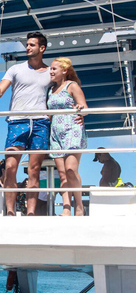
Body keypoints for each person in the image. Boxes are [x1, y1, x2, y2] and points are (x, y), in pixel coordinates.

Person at [0, 32, 52, 216]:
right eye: (27, 44)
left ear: (41, 48)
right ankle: (10, 211)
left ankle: (31, 212)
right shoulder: (16, 69)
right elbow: (1, 88)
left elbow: (63, 91)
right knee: (10, 167)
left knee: (34, 170)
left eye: (32, 45)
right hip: (17, 121)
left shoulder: (51, 72)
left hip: (41, 123)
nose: (27, 47)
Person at [47, 57, 88, 216]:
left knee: (71, 170)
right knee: (62, 174)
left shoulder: (72, 86)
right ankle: (66, 207)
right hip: (56, 133)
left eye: (54, 69)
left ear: (64, 71)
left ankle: (79, 205)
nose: (51, 71)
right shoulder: (50, 90)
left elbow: (84, 106)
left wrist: (80, 108)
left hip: (72, 129)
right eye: (50, 69)